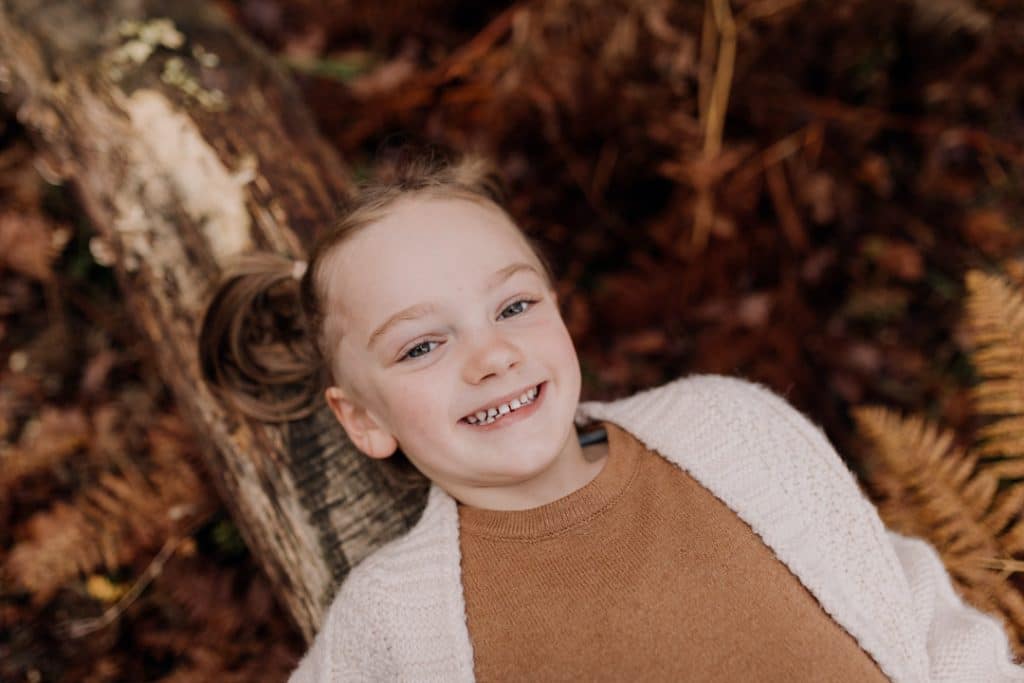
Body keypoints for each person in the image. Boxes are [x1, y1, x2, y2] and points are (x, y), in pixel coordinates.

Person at [199, 152, 1024, 682]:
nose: (491, 355)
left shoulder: (730, 429)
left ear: (560, 313)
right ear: (362, 420)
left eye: (513, 304)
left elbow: (914, 605)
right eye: (422, 346)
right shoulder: (393, 621)